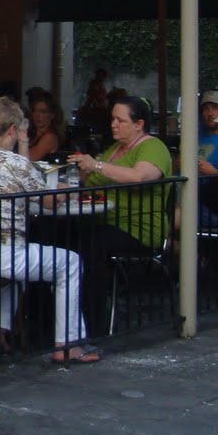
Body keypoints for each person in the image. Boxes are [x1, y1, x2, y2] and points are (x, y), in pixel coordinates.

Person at [0, 97, 98, 363]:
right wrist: (66, 191)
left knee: (23, 268)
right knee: (70, 263)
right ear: (11, 131)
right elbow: (47, 202)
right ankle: (69, 343)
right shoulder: (16, 164)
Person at [66, 97, 174, 331]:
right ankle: (61, 319)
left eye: (120, 120)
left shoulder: (153, 147)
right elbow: (90, 180)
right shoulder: (115, 149)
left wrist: (95, 166)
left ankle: (94, 324)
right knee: (62, 239)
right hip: (102, 222)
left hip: (137, 228)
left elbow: (138, 178)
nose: (113, 124)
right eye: (112, 119)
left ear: (139, 124)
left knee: (89, 246)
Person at [26, 94, 65, 162]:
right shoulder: (31, 133)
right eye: (34, 111)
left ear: (52, 115)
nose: (37, 115)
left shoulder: (50, 137)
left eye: (43, 112)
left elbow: (29, 158)